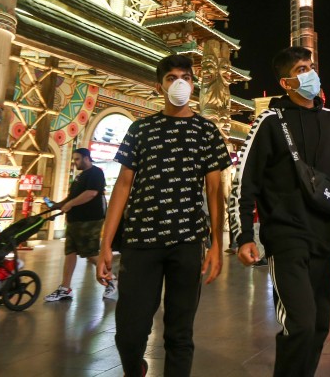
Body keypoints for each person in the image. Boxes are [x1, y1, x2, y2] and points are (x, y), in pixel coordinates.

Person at [228, 46, 330, 377]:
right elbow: (244, 181)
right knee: (300, 323)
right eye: (301, 70)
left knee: (319, 326)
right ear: (286, 83)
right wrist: (243, 236)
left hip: (325, 234)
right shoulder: (269, 122)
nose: (310, 74)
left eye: (311, 67)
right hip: (286, 235)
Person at [96, 54, 231, 377]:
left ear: (194, 84)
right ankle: (135, 367)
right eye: (171, 78)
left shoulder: (206, 131)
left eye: (185, 76)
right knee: (129, 334)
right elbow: (123, 186)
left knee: (179, 333)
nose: (179, 83)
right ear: (160, 86)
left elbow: (215, 192)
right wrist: (105, 243)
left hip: (187, 243)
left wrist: (216, 244)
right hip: (140, 243)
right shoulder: (141, 129)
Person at [45, 148, 108, 302]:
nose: (75, 162)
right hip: (75, 221)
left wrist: (71, 203)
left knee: (90, 252)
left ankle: (111, 279)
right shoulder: (80, 177)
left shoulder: (96, 173)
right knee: (70, 252)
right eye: (74, 159)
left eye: (77, 159)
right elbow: (72, 197)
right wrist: (58, 205)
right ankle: (65, 288)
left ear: (87, 158)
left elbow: (91, 193)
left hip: (89, 220)